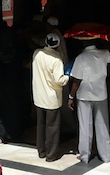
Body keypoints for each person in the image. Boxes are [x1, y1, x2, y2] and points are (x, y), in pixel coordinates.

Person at [67, 39, 110, 164]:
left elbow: (77, 80)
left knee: (85, 126)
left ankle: (85, 155)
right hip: (101, 94)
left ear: (83, 43)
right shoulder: (104, 53)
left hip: (84, 96)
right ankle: (106, 155)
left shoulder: (81, 58)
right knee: (103, 126)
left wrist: (71, 97)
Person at [31, 32, 69, 161]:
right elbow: (59, 80)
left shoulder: (37, 53)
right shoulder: (57, 59)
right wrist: (68, 76)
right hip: (51, 98)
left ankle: (41, 151)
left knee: (40, 125)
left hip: (38, 96)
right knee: (52, 127)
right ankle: (51, 155)